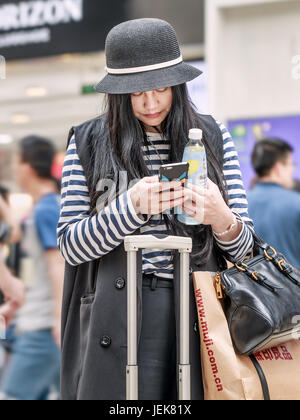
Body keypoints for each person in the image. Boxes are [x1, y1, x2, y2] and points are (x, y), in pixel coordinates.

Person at [58, 18, 255, 400]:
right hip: (115, 310)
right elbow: (70, 246)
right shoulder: (87, 142)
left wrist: (222, 218)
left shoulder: (212, 137)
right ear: (118, 93)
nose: (150, 103)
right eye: (136, 93)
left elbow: (247, 248)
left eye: (161, 88)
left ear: (178, 86)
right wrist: (130, 207)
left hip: (199, 309)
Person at [0, 136, 64, 400]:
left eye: (16, 164)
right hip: (42, 324)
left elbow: (57, 263)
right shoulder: (47, 207)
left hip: (43, 328)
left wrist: (59, 319)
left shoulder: (47, 209)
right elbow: (13, 233)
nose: (15, 170)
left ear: (26, 167)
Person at [248, 138, 300, 268]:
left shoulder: (240, 205)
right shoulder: (296, 203)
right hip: (293, 286)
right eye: (291, 164)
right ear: (278, 168)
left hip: (251, 286)